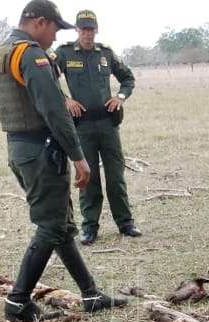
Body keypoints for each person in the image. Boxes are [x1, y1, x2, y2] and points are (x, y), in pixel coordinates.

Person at [0, 0, 126, 322]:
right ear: (39, 22)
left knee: (60, 225)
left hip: (18, 149)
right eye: (54, 29)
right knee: (50, 226)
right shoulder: (31, 54)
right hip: (43, 151)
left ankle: (90, 293)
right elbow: (55, 110)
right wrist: (79, 157)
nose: (54, 38)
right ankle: (17, 302)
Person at [53, 10, 141, 245]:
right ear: (77, 30)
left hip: (108, 125)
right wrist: (66, 100)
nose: (88, 33)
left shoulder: (106, 54)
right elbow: (47, 80)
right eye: (83, 29)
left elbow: (128, 78)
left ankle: (126, 224)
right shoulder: (64, 53)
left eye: (91, 29)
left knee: (116, 177)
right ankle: (89, 228)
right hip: (82, 127)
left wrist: (120, 97)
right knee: (88, 178)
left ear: (96, 30)